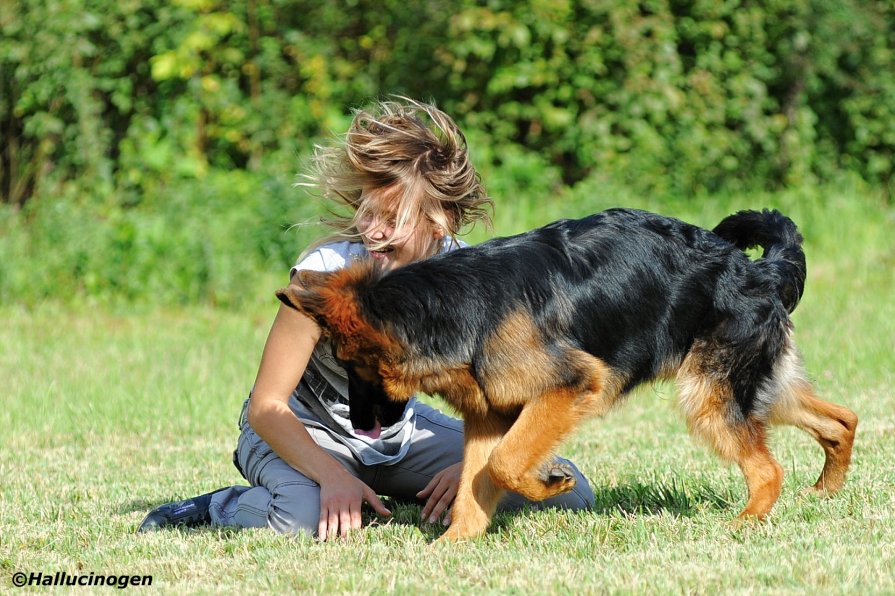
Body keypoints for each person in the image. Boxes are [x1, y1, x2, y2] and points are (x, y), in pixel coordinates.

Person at [138, 98, 595, 540]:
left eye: (392, 218)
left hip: (397, 436)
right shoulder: (324, 276)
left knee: (567, 493)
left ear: (440, 222)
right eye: (368, 211)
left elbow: (505, 399)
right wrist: (332, 477)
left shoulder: (468, 280)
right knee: (299, 520)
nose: (373, 231)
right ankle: (223, 505)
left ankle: (386, 492)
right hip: (301, 434)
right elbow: (266, 407)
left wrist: (470, 467)